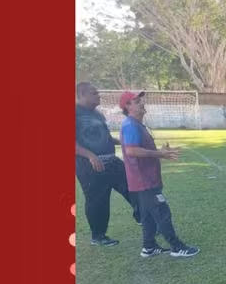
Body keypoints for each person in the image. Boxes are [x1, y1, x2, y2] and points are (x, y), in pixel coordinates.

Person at [118, 91, 199, 258]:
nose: (142, 103)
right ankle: (176, 247)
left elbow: (139, 150)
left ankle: (149, 247)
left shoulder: (137, 125)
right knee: (162, 212)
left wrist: (160, 152)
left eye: (141, 99)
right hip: (144, 180)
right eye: (137, 101)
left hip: (144, 180)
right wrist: (159, 154)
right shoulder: (130, 125)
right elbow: (132, 150)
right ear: (128, 106)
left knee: (148, 215)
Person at [75, 82, 140, 247]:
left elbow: (104, 136)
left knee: (134, 187)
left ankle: (143, 217)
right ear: (81, 95)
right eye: (94, 93)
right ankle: (98, 236)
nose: (98, 95)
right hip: (89, 166)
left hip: (111, 160)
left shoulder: (97, 114)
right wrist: (90, 156)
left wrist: (124, 143)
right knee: (98, 200)